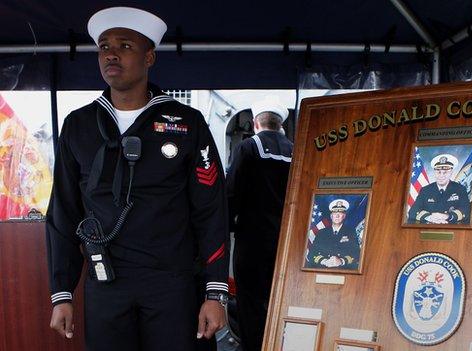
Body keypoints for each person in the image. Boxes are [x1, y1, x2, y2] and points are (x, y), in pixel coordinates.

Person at [46, 7, 229, 351]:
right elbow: (62, 213)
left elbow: (211, 211)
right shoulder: (78, 125)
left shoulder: (187, 123)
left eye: (125, 46)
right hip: (106, 283)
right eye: (104, 47)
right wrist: (62, 293)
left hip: (173, 285)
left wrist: (215, 292)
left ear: (149, 57)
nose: (111, 53)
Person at [226, 96, 293, 351]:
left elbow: (231, 191)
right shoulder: (295, 150)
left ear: (256, 123)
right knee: (281, 298)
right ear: (280, 125)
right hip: (286, 241)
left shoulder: (248, 147)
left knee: (250, 301)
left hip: (252, 240)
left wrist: (227, 226)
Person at [408, 154, 470, 224]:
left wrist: (447, 216)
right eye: (438, 172)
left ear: (451, 172)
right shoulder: (425, 190)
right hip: (429, 229)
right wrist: (429, 217)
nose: (441, 175)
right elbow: (413, 211)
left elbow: (466, 211)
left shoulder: (460, 189)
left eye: (445, 172)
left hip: (452, 229)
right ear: (434, 172)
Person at [306, 199, 360, 269]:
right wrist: (324, 261)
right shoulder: (322, 233)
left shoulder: (351, 232)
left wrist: (341, 261)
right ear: (331, 216)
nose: (337, 216)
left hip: (343, 269)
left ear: (344, 216)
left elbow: (356, 253)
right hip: (323, 268)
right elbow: (312, 253)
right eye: (334, 213)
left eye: (340, 213)